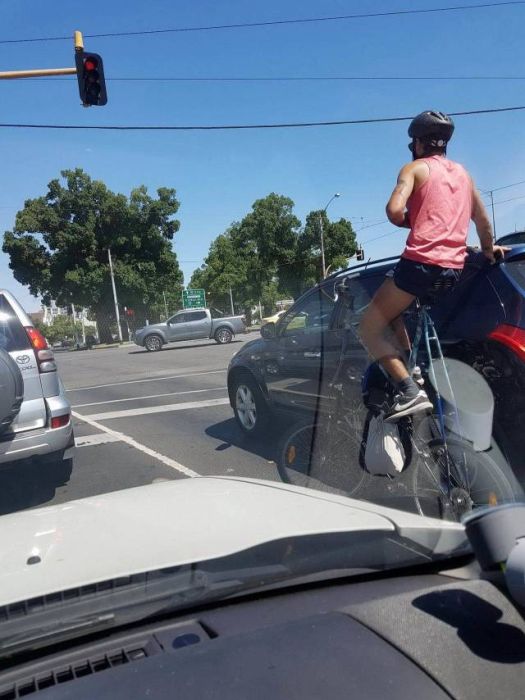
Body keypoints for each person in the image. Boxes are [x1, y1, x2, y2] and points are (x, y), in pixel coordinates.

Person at [359, 110, 508, 421]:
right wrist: (488, 250)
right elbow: (482, 222)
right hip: (454, 269)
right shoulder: (464, 175)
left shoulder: (414, 168)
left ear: (417, 143)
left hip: (419, 265)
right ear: (444, 144)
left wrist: (412, 219)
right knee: (393, 311)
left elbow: (393, 210)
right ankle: (412, 367)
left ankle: (408, 391)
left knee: (369, 327)